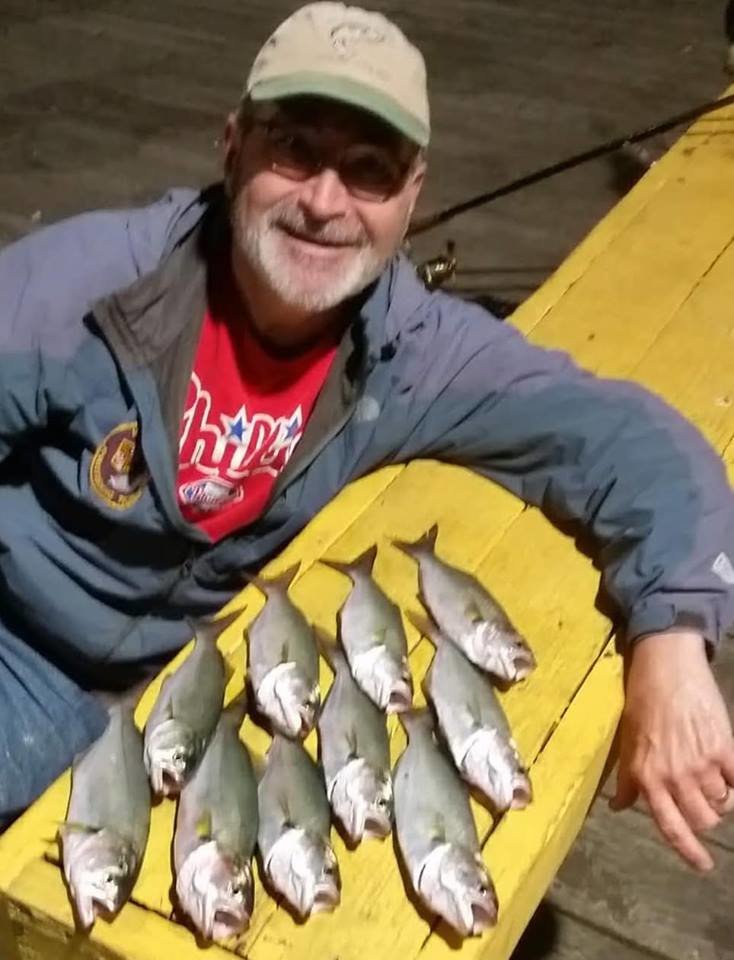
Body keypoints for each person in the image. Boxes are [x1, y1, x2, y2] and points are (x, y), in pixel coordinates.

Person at [0, 2, 732, 873]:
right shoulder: (90, 284)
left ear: (412, 195)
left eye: (369, 170)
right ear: (232, 147)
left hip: (184, 701)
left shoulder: (413, 353)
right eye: (293, 149)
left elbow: (632, 442)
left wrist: (674, 637)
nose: (324, 201)